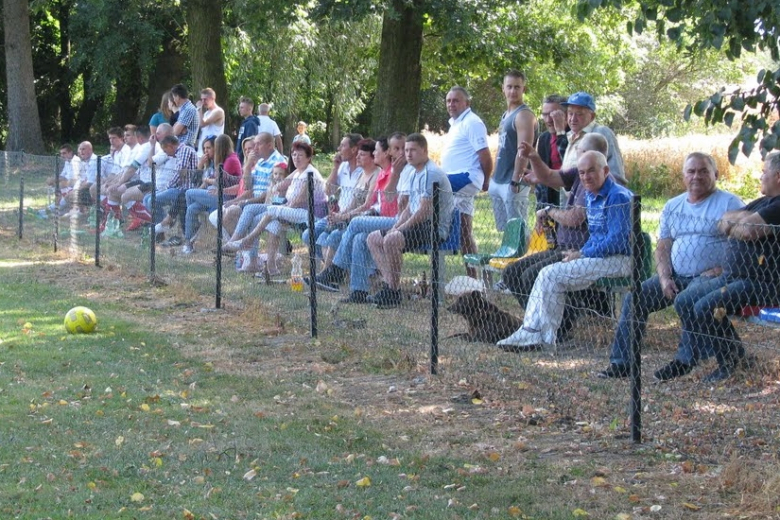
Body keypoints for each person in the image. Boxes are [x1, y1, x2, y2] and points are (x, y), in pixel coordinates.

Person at [598, 152, 745, 380]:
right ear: (683, 176)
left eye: (703, 171)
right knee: (635, 298)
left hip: (710, 276)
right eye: (691, 171)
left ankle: (684, 360)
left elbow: (741, 244)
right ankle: (622, 362)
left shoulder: (729, 202)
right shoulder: (673, 205)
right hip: (676, 274)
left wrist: (722, 269)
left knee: (688, 299)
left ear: (715, 174)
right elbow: (664, 245)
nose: (696, 176)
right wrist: (665, 277)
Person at [663, 151, 780, 383]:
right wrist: (741, 223)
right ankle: (735, 356)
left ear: (778, 176)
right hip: (734, 277)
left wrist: (740, 224)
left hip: (764, 282)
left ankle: (729, 363)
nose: (760, 176)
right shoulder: (762, 202)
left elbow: (747, 230)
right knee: (685, 300)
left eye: (764, 172)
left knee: (706, 307)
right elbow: (723, 221)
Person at [498, 151, 633, 350]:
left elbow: (617, 241)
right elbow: (595, 236)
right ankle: (536, 333)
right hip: (598, 256)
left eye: (591, 171)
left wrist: (583, 253)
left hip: (618, 259)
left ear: (605, 171)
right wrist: (580, 253)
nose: (586, 177)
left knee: (550, 274)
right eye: (582, 173)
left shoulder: (617, 196)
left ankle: (541, 336)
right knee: (547, 274)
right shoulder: (591, 194)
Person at [308, 133, 411, 301]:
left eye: (376, 150)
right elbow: (378, 203)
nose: (374, 153)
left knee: (356, 223)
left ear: (386, 153)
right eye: (397, 149)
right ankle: (359, 291)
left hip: (397, 222)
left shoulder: (399, 172)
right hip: (381, 219)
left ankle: (336, 270)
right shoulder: (386, 173)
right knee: (359, 238)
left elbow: (396, 204)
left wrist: (351, 215)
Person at [366, 133, 454, 309]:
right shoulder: (414, 172)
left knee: (392, 239)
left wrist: (397, 231)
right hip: (418, 225)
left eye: (413, 150)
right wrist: (396, 226)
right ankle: (393, 288)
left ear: (425, 150)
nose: (408, 154)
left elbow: (423, 211)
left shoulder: (431, 173)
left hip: (433, 228)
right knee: (373, 238)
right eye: (406, 150)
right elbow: (408, 209)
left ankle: (392, 291)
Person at [229, 141, 327, 276]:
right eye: (294, 155)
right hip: (293, 211)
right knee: (260, 215)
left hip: (310, 214)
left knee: (272, 211)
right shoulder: (298, 171)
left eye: (300, 155)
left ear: (309, 157)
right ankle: (269, 266)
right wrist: (276, 189)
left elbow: (297, 201)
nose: (296, 158)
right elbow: (280, 185)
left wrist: (281, 204)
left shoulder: (310, 173)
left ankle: (246, 241)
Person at [440, 86, 493, 278]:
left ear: (467, 103)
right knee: (465, 231)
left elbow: (485, 156)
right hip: (458, 180)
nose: (451, 104)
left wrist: (486, 181)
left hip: (466, 178)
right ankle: (475, 278)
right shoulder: (455, 124)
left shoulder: (472, 122)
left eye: (456, 100)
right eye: (448, 101)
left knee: (431, 192)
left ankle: (433, 246)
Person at [315, 138, 380, 272]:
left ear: (372, 157)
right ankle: (332, 272)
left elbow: (367, 205)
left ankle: (329, 275)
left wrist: (343, 217)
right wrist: (339, 215)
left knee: (334, 236)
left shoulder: (376, 175)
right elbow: (352, 202)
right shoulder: (362, 174)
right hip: (349, 218)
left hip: (364, 220)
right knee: (321, 236)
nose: (357, 157)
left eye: (362, 154)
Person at [220, 133, 287, 250]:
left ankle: (236, 247)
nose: (255, 148)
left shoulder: (278, 163)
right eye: (254, 144)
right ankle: (241, 251)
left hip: (268, 202)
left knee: (242, 211)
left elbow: (270, 193)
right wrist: (247, 166)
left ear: (270, 145)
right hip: (254, 201)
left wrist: (246, 201)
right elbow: (248, 186)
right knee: (228, 213)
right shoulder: (260, 162)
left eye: (258, 144)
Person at [489, 70, 535, 232]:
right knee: (506, 230)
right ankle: (510, 258)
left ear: (524, 89)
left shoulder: (524, 115)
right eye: (509, 87)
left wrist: (515, 180)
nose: (513, 91)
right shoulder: (505, 115)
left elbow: (523, 151)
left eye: (517, 87)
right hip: (498, 179)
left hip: (513, 182)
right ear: (503, 88)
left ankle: (527, 258)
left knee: (519, 229)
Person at [181, 134, 241, 254]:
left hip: (224, 197)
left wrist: (207, 180)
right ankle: (189, 243)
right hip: (214, 194)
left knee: (188, 193)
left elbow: (219, 182)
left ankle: (196, 226)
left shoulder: (231, 160)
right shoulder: (224, 160)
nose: (207, 151)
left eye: (213, 147)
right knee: (192, 208)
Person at [304, 133, 364, 253]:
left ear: (354, 149)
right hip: (336, 215)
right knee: (307, 235)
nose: (338, 149)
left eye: (342, 146)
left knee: (330, 238)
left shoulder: (364, 170)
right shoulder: (343, 166)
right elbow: (329, 190)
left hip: (351, 217)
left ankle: (334, 268)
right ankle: (334, 269)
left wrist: (341, 216)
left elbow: (360, 202)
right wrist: (336, 167)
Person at [559, 92, 626, 184]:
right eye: (570, 113)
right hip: (574, 197)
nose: (573, 119)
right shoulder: (571, 136)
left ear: (592, 116)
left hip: (596, 197)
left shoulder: (601, 132)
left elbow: (616, 173)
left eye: (579, 114)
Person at [146, 134, 199, 245]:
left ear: (170, 146)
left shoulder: (184, 150)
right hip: (179, 188)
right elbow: (180, 173)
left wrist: (168, 186)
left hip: (184, 189)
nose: (167, 154)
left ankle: (162, 227)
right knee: (147, 198)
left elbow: (180, 172)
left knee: (153, 200)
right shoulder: (179, 152)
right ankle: (161, 228)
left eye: (166, 151)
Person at [535, 94, 569, 208]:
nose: (549, 120)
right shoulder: (544, 138)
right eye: (545, 115)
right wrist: (541, 207)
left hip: (570, 197)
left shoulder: (575, 136)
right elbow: (541, 178)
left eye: (554, 115)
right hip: (550, 199)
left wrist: (560, 132)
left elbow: (569, 163)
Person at [196, 88, 225, 157]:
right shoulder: (206, 113)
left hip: (212, 152)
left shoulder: (218, 111)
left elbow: (202, 124)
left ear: (212, 98)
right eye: (202, 99)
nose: (203, 102)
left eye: (205, 99)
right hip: (201, 152)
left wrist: (199, 108)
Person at [171, 83, 199, 148]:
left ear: (177, 97)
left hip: (185, 147)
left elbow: (175, 132)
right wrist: (181, 129)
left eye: (174, 97)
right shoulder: (183, 109)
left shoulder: (188, 109)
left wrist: (178, 128)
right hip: (181, 146)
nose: (174, 100)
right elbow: (176, 130)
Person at [236, 97, 260, 164]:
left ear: (249, 109)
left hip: (245, 160)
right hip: (240, 158)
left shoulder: (251, 124)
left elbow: (250, 143)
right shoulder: (245, 123)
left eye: (242, 107)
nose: (239, 109)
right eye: (240, 107)